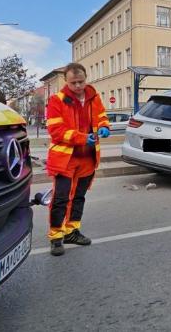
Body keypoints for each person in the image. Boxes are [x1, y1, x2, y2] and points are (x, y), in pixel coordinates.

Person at [45, 63, 111, 256]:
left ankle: (71, 231)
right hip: (65, 159)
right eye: (73, 82)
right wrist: (82, 137)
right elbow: (56, 131)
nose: (78, 86)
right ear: (66, 81)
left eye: (81, 81)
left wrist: (104, 126)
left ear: (86, 78)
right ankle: (56, 236)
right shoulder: (56, 100)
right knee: (61, 198)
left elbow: (101, 117)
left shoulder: (93, 97)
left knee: (79, 197)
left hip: (87, 157)